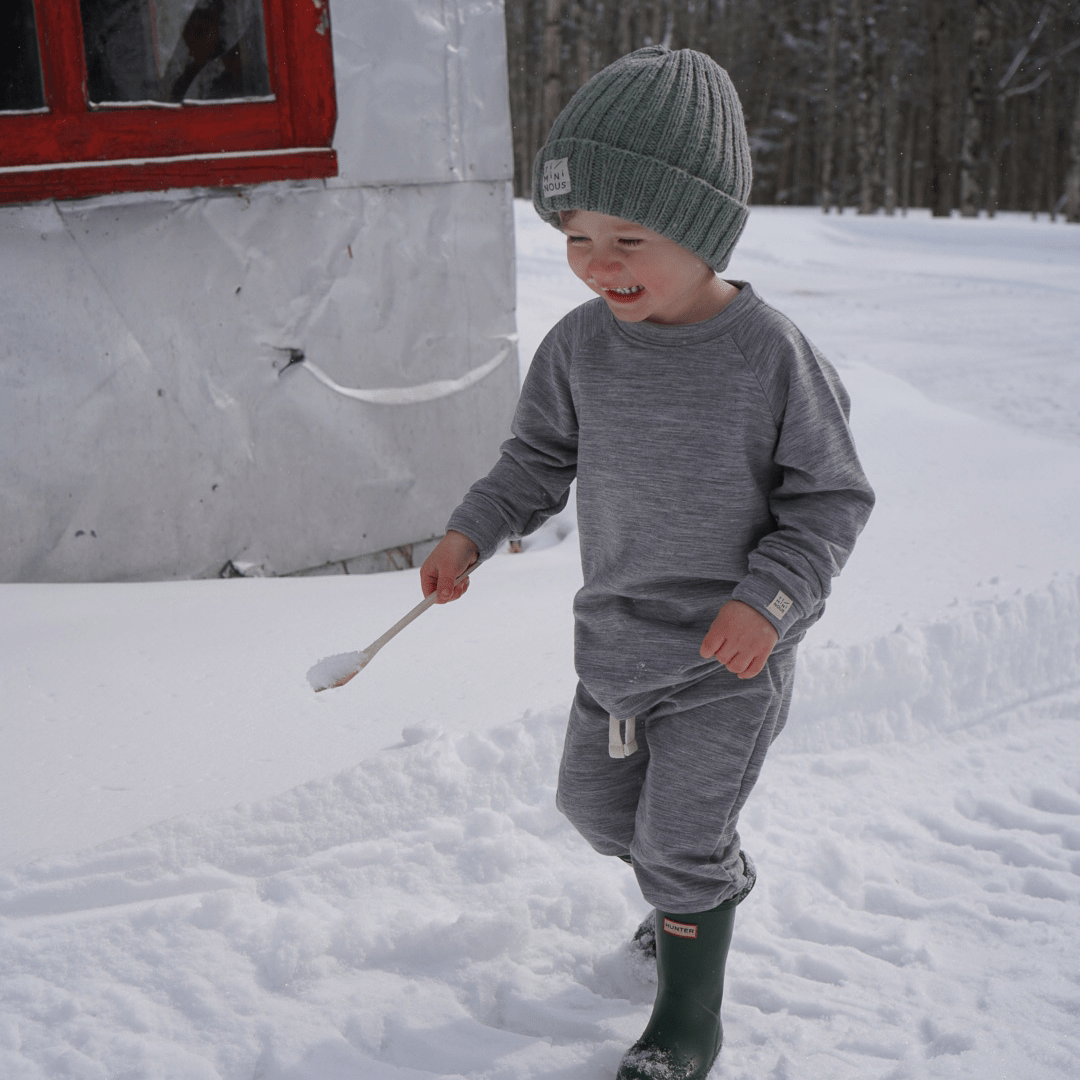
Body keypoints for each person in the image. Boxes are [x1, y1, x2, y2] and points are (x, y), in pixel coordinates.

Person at [420, 46, 874, 1080]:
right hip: (617, 646)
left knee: (677, 841)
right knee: (593, 811)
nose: (598, 262)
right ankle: (696, 888)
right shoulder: (581, 346)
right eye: (577, 237)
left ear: (704, 231)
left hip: (729, 659)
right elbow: (537, 459)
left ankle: (685, 1019)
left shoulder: (771, 355)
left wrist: (770, 600)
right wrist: (471, 531)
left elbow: (831, 497)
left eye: (628, 239)